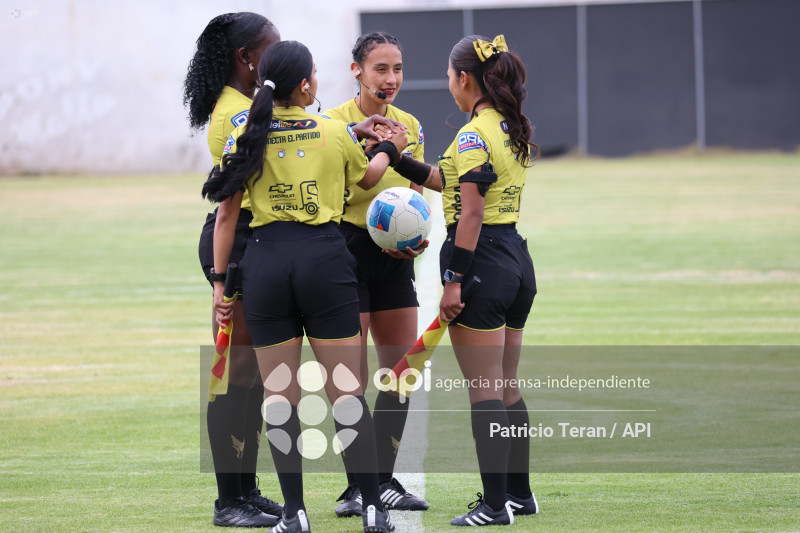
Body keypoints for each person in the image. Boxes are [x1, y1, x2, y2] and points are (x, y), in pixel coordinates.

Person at [202, 40, 407, 533]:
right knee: (347, 390)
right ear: (305, 85)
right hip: (325, 262)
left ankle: (295, 513)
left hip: (266, 265)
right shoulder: (332, 130)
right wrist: (389, 148)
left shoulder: (245, 133)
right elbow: (368, 179)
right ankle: (373, 507)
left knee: (278, 395)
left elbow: (226, 218)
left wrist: (220, 286)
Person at [387, 34, 540, 526]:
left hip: (481, 263)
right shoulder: (508, 125)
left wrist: (453, 280)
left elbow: (470, 213)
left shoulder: (474, 134)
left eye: (450, 77)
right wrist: (396, 157)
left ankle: (494, 506)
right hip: (514, 257)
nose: (449, 86)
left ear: (463, 78)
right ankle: (519, 495)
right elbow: (448, 181)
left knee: (484, 390)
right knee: (506, 384)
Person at [321, 31, 430, 517]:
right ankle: (357, 485)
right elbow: (346, 183)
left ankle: (383, 480)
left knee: (401, 371)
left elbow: (416, 191)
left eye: (397, 69)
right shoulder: (333, 125)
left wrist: (418, 234)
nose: (390, 79)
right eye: (380, 69)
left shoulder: (410, 125)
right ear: (357, 71)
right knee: (352, 377)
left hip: (393, 256)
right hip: (344, 250)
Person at [183, 12, 283, 528]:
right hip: (237, 242)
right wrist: (221, 281)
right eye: (271, 50)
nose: (278, 58)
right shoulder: (235, 113)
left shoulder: (245, 104)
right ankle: (229, 501)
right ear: (246, 58)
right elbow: (231, 202)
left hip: (250, 240)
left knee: (252, 378)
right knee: (234, 376)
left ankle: (247, 490)